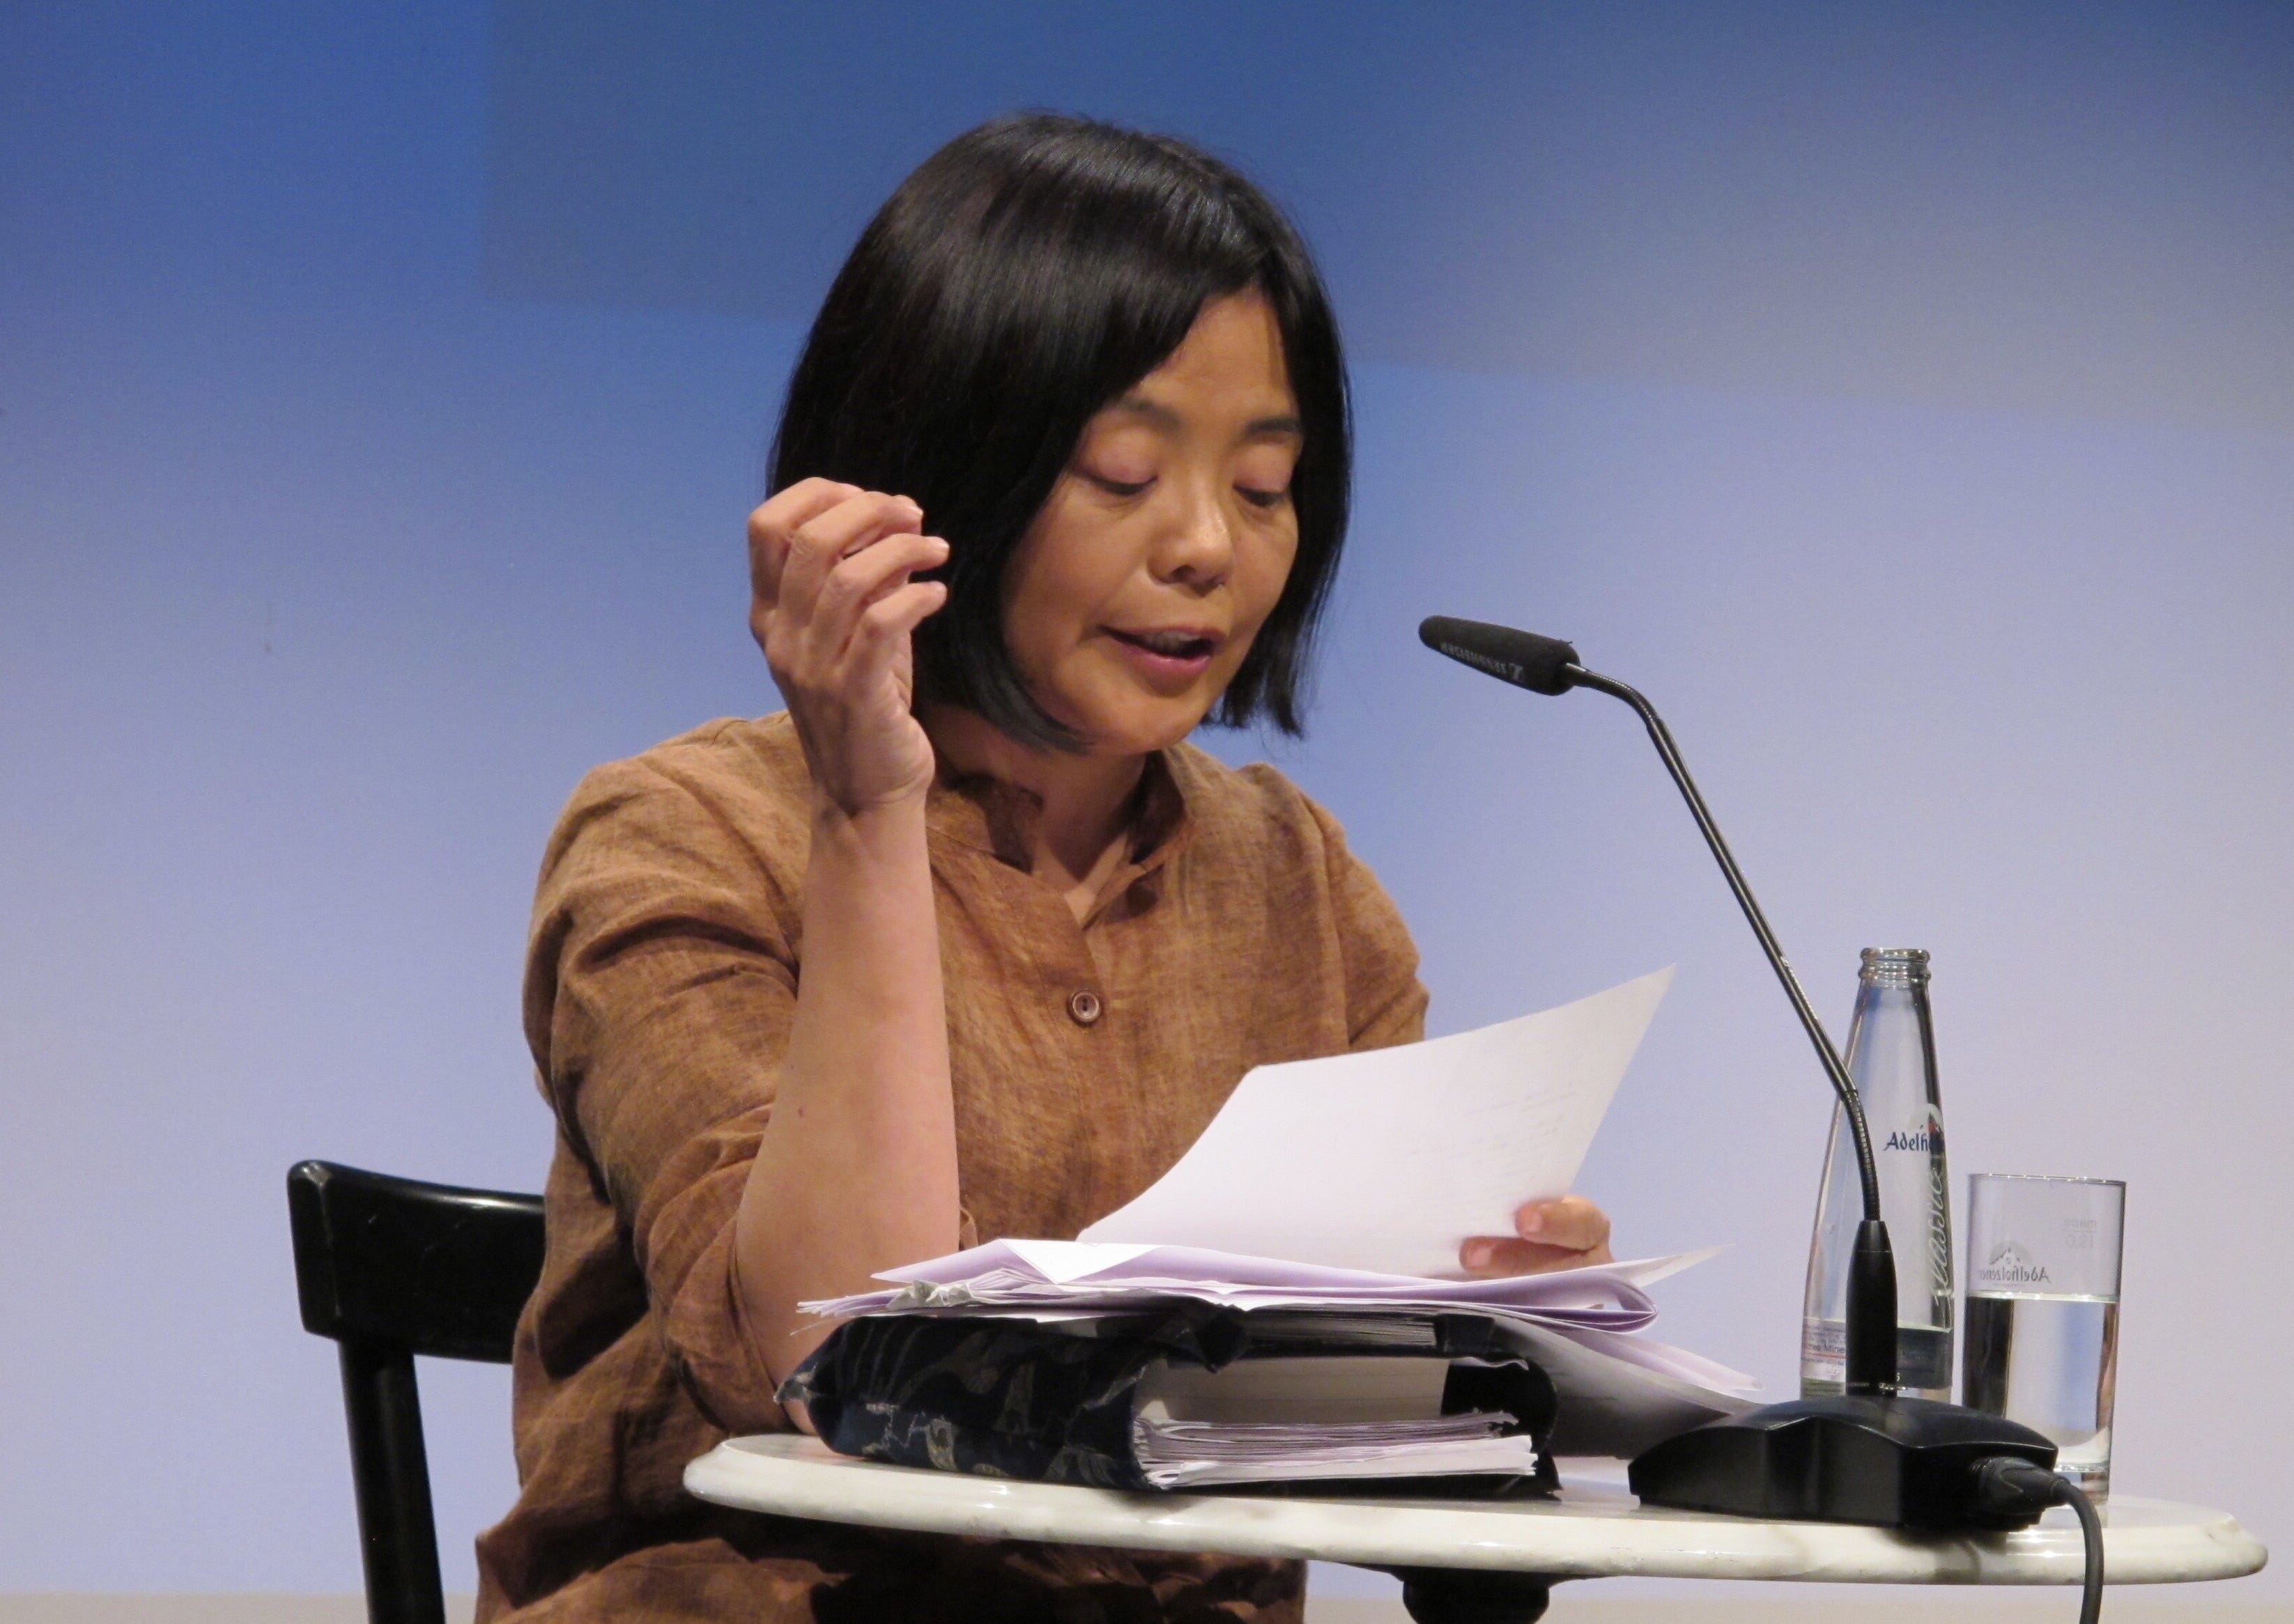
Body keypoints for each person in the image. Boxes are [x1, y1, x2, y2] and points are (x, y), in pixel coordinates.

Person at [475, 114, 1612, 1624]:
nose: (1206, 546)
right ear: (940, 479)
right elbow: (825, 1357)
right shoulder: (683, 836)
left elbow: (1380, 1432)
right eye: (1123, 472)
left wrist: (1484, 1323)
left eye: (1264, 488)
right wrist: (868, 806)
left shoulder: (1302, 887)